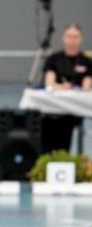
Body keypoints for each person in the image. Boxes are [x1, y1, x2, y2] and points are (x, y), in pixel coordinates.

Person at [41, 23, 92, 152]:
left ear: (81, 39)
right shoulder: (53, 59)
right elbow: (49, 82)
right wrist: (62, 87)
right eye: (69, 36)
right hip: (53, 109)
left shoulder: (87, 61)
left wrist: (74, 89)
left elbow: (86, 86)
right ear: (64, 38)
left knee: (66, 124)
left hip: (74, 109)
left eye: (75, 37)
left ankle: (63, 155)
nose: (72, 40)